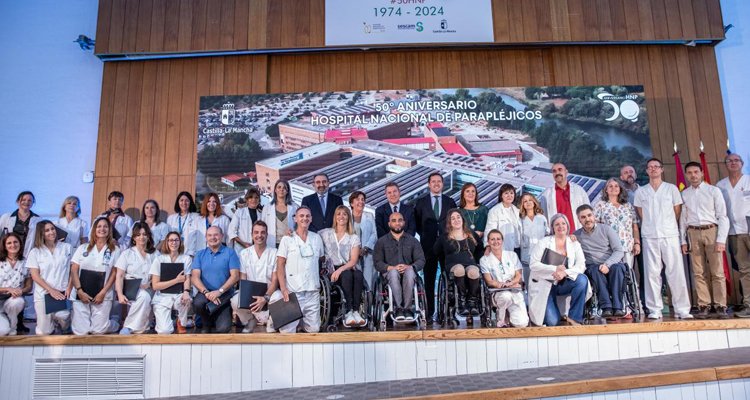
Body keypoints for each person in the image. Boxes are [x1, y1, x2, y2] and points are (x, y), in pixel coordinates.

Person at [634, 158, 693, 320]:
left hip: (670, 235)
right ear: (646, 171)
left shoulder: (671, 189)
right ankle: (655, 309)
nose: (653, 169)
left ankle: (682, 309)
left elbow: (677, 211)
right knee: (652, 273)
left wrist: (665, 225)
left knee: (676, 272)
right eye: (650, 167)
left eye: (656, 167)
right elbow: (640, 213)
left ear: (661, 170)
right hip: (650, 236)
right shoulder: (641, 192)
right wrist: (652, 226)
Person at [680, 162, 730, 319]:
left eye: (696, 172)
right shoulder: (685, 194)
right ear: (686, 175)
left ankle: (721, 305)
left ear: (702, 173)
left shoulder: (713, 191)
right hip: (693, 233)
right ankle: (704, 305)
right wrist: (683, 240)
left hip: (712, 231)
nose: (693, 175)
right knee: (698, 272)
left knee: (717, 271)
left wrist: (721, 239)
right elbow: (683, 219)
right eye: (689, 172)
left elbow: (722, 215)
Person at [268, 206, 325, 333]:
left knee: (314, 330)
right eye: (301, 216)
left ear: (311, 219)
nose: (304, 218)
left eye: (307, 216)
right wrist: (283, 288)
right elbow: (280, 265)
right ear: (295, 219)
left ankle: (302, 324)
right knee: (288, 332)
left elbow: (321, 258)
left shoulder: (316, 238)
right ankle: (274, 320)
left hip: (312, 291)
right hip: (293, 292)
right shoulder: (287, 239)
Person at [528, 214, 590, 326]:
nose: (560, 226)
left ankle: (574, 317)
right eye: (557, 224)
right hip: (546, 284)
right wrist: (555, 268)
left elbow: (581, 265)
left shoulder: (574, 243)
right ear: (552, 227)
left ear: (567, 225)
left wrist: (564, 273)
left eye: (563, 223)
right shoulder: (544, 242)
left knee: (582, 280)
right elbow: (533, 264)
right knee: (552, 321)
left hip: (565, 282)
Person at [414, 172, 457, 318]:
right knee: (429, 280)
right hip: (428, 246)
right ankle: (429, 311)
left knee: (448, 279)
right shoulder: (421, 202)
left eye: (439, 181)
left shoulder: (450, 201)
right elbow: (418, 224)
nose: (436, 184)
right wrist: (427, 235)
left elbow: (454, 222)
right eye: (433, 181)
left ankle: (448, 312)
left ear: (443, 184)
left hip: (447, 246)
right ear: (429, 184)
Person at [70, 217, 122, 335]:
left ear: (109, 230)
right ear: (94, 230)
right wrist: (79, 291)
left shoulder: (115, 250)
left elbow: (114, 273)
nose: (102, 229)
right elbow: (74, 270)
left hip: (103, 294)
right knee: (81, 332)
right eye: (99, 226)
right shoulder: (82, 248)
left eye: (105, 226)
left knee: (98, 331)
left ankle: (114, 324)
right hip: (81, 292)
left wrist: (103, 293)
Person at [575, 204, 627, 318]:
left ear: (594, 216)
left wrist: (607, 264)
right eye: (583, 217)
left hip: (612, 263)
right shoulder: (576, 235)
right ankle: (606, 307)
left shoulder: (606, 229)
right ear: (579, 220)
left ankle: (618, 307)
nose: (587, 219)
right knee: (594, 271)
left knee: (618, 269)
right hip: (593, 266)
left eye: (589, 215)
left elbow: (619, 251)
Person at [374, 212, 426, 321]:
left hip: (409, 274)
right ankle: (398, 309)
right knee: (393, 273)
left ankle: (407, 309)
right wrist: (390, 268)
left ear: (404, 222)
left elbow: (421, 260)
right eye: (394, 220)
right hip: (389, 275)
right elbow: (377, 262)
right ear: (389, 224)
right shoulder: (381, 242)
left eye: (400, 220)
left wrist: (410, 266)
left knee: (410, 271)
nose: (397, 223)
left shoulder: (413, 241)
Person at [717, 153, 750, 317]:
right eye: (729, 161)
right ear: (725, 165)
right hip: (734, 233)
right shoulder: (720, 185)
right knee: (744, 270)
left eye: (736, 160)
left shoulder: (749, 180)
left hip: (749, 229)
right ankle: (748, 305)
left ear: (742, 163)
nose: (733, 163)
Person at [320, 206, 364, 327]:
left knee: (358, 274)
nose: (341, 217)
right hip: (332, 270)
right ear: (335, 217)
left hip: (347, 267)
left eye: (344, 214)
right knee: (347, 274)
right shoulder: (325, 233)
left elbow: (354, 260)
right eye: (338, 214)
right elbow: (309, 234)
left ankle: (355, 311)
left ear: (348, 217)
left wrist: (341, 269)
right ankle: (349, 312)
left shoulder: (353, 237)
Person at [230, 221, 278, 333]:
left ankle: (271, 320)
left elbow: (275, 279)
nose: (259, 235)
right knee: (235, 300)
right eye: (256, 232)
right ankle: (250, 320)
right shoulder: (244, 253)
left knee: (279, 297)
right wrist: (248, 298)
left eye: (262, 232)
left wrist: (265, 298)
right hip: (251, 293)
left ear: (266, 234)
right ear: (252, 235)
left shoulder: (274, 252)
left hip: (269, 292)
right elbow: (243, 278)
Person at [191, 226, 240, 333]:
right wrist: (206, 292)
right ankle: (206, 322)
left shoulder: (230, 252)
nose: (213, 237)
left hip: (224, 294)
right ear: (206, 237)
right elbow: (194, 277)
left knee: (223, 329)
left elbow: (235, 276)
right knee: (198, 303)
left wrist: (219, 291)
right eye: (209, 235)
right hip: (205, 293)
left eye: (216, 234)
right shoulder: (200, 254)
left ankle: (216, 315)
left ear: (222, 236)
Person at [433, 209, 482, 316]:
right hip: (452, 265)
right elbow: (436, 251)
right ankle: (461, 301)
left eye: (458, 217)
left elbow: (480, 249)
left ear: (462, 219)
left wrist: (477, 261)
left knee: (474, 271)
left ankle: (472, 301)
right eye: (453, 218)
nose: (456, 220)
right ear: (449, 222)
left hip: (470, 263)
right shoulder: (444, 237)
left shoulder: (471, 234)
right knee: (459, 269)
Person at [27, 224, 73, 336]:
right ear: (41, 233)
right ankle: (51, 325)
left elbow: (73, 270)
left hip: (62, 292)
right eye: (47, 230)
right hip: (43, 294)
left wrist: (69, 287)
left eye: (52, 229)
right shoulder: (35, 252)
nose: (51, 232)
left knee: (63, 316)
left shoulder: (67, 247)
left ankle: (65, 327)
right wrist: (51, 290)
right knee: (44, 332)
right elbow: (35, 276)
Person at [114, 223, 159, 334]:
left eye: (144, 234)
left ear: (148, 236)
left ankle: (143, 327)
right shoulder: (127, 253)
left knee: (149, 297)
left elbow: (159, 274)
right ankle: (128, 327)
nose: (141, 237)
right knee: (144, 296)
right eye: (138, 235)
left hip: (151, 286)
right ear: (134, 238)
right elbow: (119, 275)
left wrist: (149, 284)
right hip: (131, 287)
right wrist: (119, 294)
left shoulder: (155, 254)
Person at [480, 229, 529, 328]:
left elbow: (518, 275)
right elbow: (489, 281)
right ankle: (501, 318)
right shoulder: (484, 260)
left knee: (521, 324)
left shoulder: (512, 255)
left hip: (514, 290)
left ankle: (510, 315)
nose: (496, 242)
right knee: (506, 296)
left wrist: (511, 283)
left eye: (498, 239)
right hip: (498, 293)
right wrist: (499, 284)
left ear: (502, 241)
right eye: (492, 239)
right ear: (488, 242)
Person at [150, 231, 192, 334]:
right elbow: (155, 285)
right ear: (167, 242)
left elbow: (187, 279)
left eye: (176, 240)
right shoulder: (159, 260)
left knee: (186, 299)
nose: (174, 243)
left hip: (179, 294)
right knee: (165, 331)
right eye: (171, 240)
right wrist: (176, 280)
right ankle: (166, 322)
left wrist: (186, 292)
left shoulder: (186, 259)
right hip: (162, 297)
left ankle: (181, 322)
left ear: (180, 242)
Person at [594, 178, 640, 268]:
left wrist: (637, 243)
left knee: (628, 275)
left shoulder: (627, 205)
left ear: (620, 189)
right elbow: (595, 227)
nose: (613, 188)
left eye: (616, 186)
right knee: (613, 274)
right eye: (610, 186)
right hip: (609, 249)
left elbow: (634, 226)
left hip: (627, 247)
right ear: (606, 190)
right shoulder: (600, 205)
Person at [540, 163, 591, 232]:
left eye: (560, 170)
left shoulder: (579, 191)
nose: (557, 173)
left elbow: (588, 212)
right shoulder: (546, 195)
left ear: (566, 172)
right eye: (554, 171)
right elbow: (544, 218)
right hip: (558, 236)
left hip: (578, 234)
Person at [0, 233, 32, 335]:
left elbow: (29, 286)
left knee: (18, 302)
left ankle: (13, 328)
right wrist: (8, 289)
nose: (13, 245)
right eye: (9, 243)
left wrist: (20, 291)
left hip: (12, 300)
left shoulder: (25, 262)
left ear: (20, 244)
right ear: (4, 246)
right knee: (3, 331)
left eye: (15, 242)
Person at [350, 191, 378, 289]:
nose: (361, 202)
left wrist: (366, 248)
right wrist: (356, 250)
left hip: (367, 252)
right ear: (351, 203)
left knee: (369, 275)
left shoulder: (369, 215)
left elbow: (374, 234)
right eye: (358, 199)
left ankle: (369, 295)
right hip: (351, 253)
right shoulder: (347, 217)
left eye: (363, 200)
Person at [0, 191, 41, 256]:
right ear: (18, 202)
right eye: (23, 200)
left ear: (33, 203)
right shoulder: (6, 217)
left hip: (29, 255)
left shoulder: (38, 219)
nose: (26, 202)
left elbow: (40, 239)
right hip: (9, 254)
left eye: (30, 200)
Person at [519, 193, 548, 285]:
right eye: (525, 201)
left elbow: (547, 234)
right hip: (526, 257)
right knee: (528, 284)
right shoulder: (520, 220)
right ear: (522, 205)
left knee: (541, 284)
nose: (528, 203)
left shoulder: (542, 218)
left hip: (541, 257)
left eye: (530, 200)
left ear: (534, 202)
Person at [259, 180, 298, 248]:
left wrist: (294, 233)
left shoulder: (295, 207)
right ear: (275, 190)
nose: (281, 189)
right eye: (279, 187)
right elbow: (262, 227)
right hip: (273, 243)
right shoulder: (267, 207)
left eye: (284, 188)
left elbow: (299, 226)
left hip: (290, 242)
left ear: (287, 191)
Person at [484, 184, 521, 252]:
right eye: (506, 193)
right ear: (501, 196)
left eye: (511, 193)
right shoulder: (494, 211)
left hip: (517, 247)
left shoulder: (516, 210)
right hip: (502, 247)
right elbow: (490, 230)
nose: (509, 195)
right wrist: (488, 246)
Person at [228, 187, 264, 252]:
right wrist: (244, 244)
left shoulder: (261, 215)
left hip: (257, 250)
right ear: (247, 200)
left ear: (259, 200)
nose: (254, 200)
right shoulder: (239, 212)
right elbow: (231, 232)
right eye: (251, 197)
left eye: (256, 197)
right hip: (241, 249)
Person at [167, 191, 201, 256]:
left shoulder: (197, 217)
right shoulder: (171, 218)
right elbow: (168, 238)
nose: (184, 203)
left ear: (190, 202)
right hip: (174, 254)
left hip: (191, 254)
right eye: (181, 200)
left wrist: (195, 255)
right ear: (178, 202)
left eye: (187, 200)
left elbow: (200, 238)